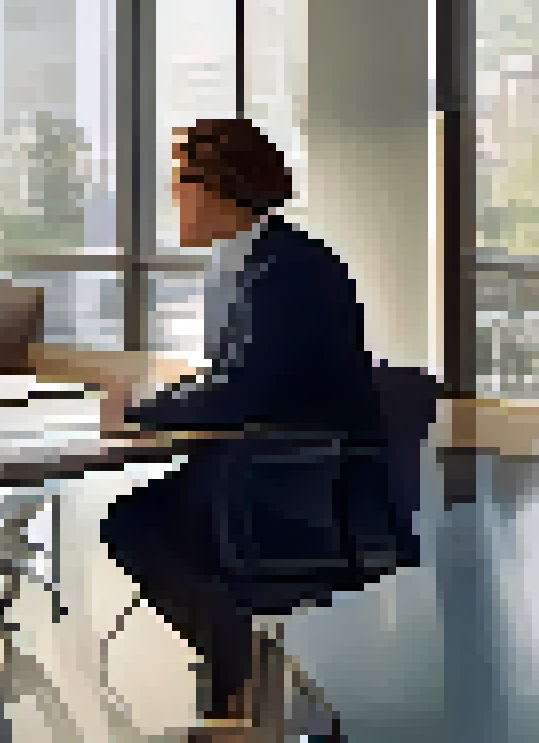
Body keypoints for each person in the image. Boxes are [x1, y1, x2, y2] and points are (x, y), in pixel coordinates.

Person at [103, 120, 386, 743]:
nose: (174, 198)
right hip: (263, 466)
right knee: (146, 518)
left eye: (182, 183)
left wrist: (141, 410)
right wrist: (159, 399)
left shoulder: (286, 272)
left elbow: (244, 391)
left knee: (135, 524)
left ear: (224, 188)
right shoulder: (253, 259)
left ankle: (242, 682)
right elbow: (230, 377)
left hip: (287, 484)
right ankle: (245, 680)